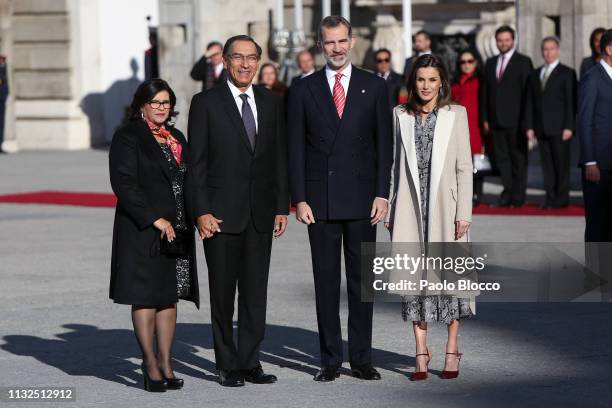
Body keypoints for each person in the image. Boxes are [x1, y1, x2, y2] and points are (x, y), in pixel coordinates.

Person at [288, 16, 392, 382]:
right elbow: (295, 148)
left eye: (342, 41)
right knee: (327, 281)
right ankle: (330, 358)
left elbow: (385, 146)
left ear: (352, 42)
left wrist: (383, 193)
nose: (336, 48)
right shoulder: (303, 89)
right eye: (329, 42)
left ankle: (361, 357)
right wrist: (299, 198)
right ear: (320, 44)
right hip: (321, 201)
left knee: (362, 283)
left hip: (364, 199)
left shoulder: (374, 87)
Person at [187, 35, 289, 387]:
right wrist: (200, 211)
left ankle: (249, 361)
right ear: (226, 62)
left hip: (261, 214)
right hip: (219, 216)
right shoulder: (205, 103)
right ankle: (226, 364)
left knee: (254, 293)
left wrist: (281, 207)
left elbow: (278, 156)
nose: (245, 64)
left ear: (259, 61)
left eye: (252, 58)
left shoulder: (272, 101)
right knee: (222, 295)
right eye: (238, 58)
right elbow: (195, 164)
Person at [385, 54, 473, 381]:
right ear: (413, 82)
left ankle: (452, 349)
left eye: (432, 79)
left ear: (442, 82)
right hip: (410, 210)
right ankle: (421, 352)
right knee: (414, 284)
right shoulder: (400, 115)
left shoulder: (456, 114)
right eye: (421, 79)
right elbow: (393, 166)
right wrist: (391, 208)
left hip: (447, 211)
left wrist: (464, 213)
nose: (426, 86)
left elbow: (465, 166)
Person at [109, 78, 199, 392]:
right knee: (145, 295)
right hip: (142, 229)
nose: (161, 108)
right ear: (142, 105)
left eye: (165, 102)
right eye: (155, 102)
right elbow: (123, 184)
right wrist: (155, 219)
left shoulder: (176, 137)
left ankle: (166, 360)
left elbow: (189, 180)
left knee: (168, 296)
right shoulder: (128, 135)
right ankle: (149, 363)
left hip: (177, 228)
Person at [482, 25, 533, 208]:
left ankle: (518, 197)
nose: (503, 43)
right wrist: (485, 118)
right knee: (502, 160)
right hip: (496, 121)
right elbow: (485, 93)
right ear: (496, 42)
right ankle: (507, 193)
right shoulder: (490, 62)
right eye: (500, 40)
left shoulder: (523, 62)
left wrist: (528, 122)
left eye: (507, 40)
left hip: (517, 121)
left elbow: (529, 95)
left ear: (513, 40)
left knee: (518, 160)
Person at [525, 36, 577, 209]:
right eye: (545, 49)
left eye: (552, 48)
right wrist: (530, 126)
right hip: (541, 128)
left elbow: (571, 102)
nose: (548, 52)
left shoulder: (567, 73)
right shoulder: (535, 74)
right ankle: (550, 197)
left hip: (560, 127)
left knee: (561, 165)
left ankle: (561, 199)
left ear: (558, 50)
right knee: (547, 166)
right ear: (542, 52)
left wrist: (569, 126)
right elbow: (530, 102)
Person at [578, 29, 612, 242]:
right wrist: (590, 161)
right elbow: (584, 121)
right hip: (598, 165)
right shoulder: (592, 78)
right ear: (609, 49)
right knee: (598, 222)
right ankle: (595, 273)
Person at [451, 49, 485, 206]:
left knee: (476, 162)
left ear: (476, 63)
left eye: (470, 61)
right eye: (463, 62)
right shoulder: (455, 82)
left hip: (476, 126)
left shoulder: (480, 81)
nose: (466, 65)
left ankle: (477, 193)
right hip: (458, 127)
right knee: (460, 163)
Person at [0, 54, 8, 153]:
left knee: (1, 123)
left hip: (2, 98)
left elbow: (5, 82)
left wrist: (7, 93)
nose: (3, 61)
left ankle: (0, 143)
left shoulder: (4, 67)